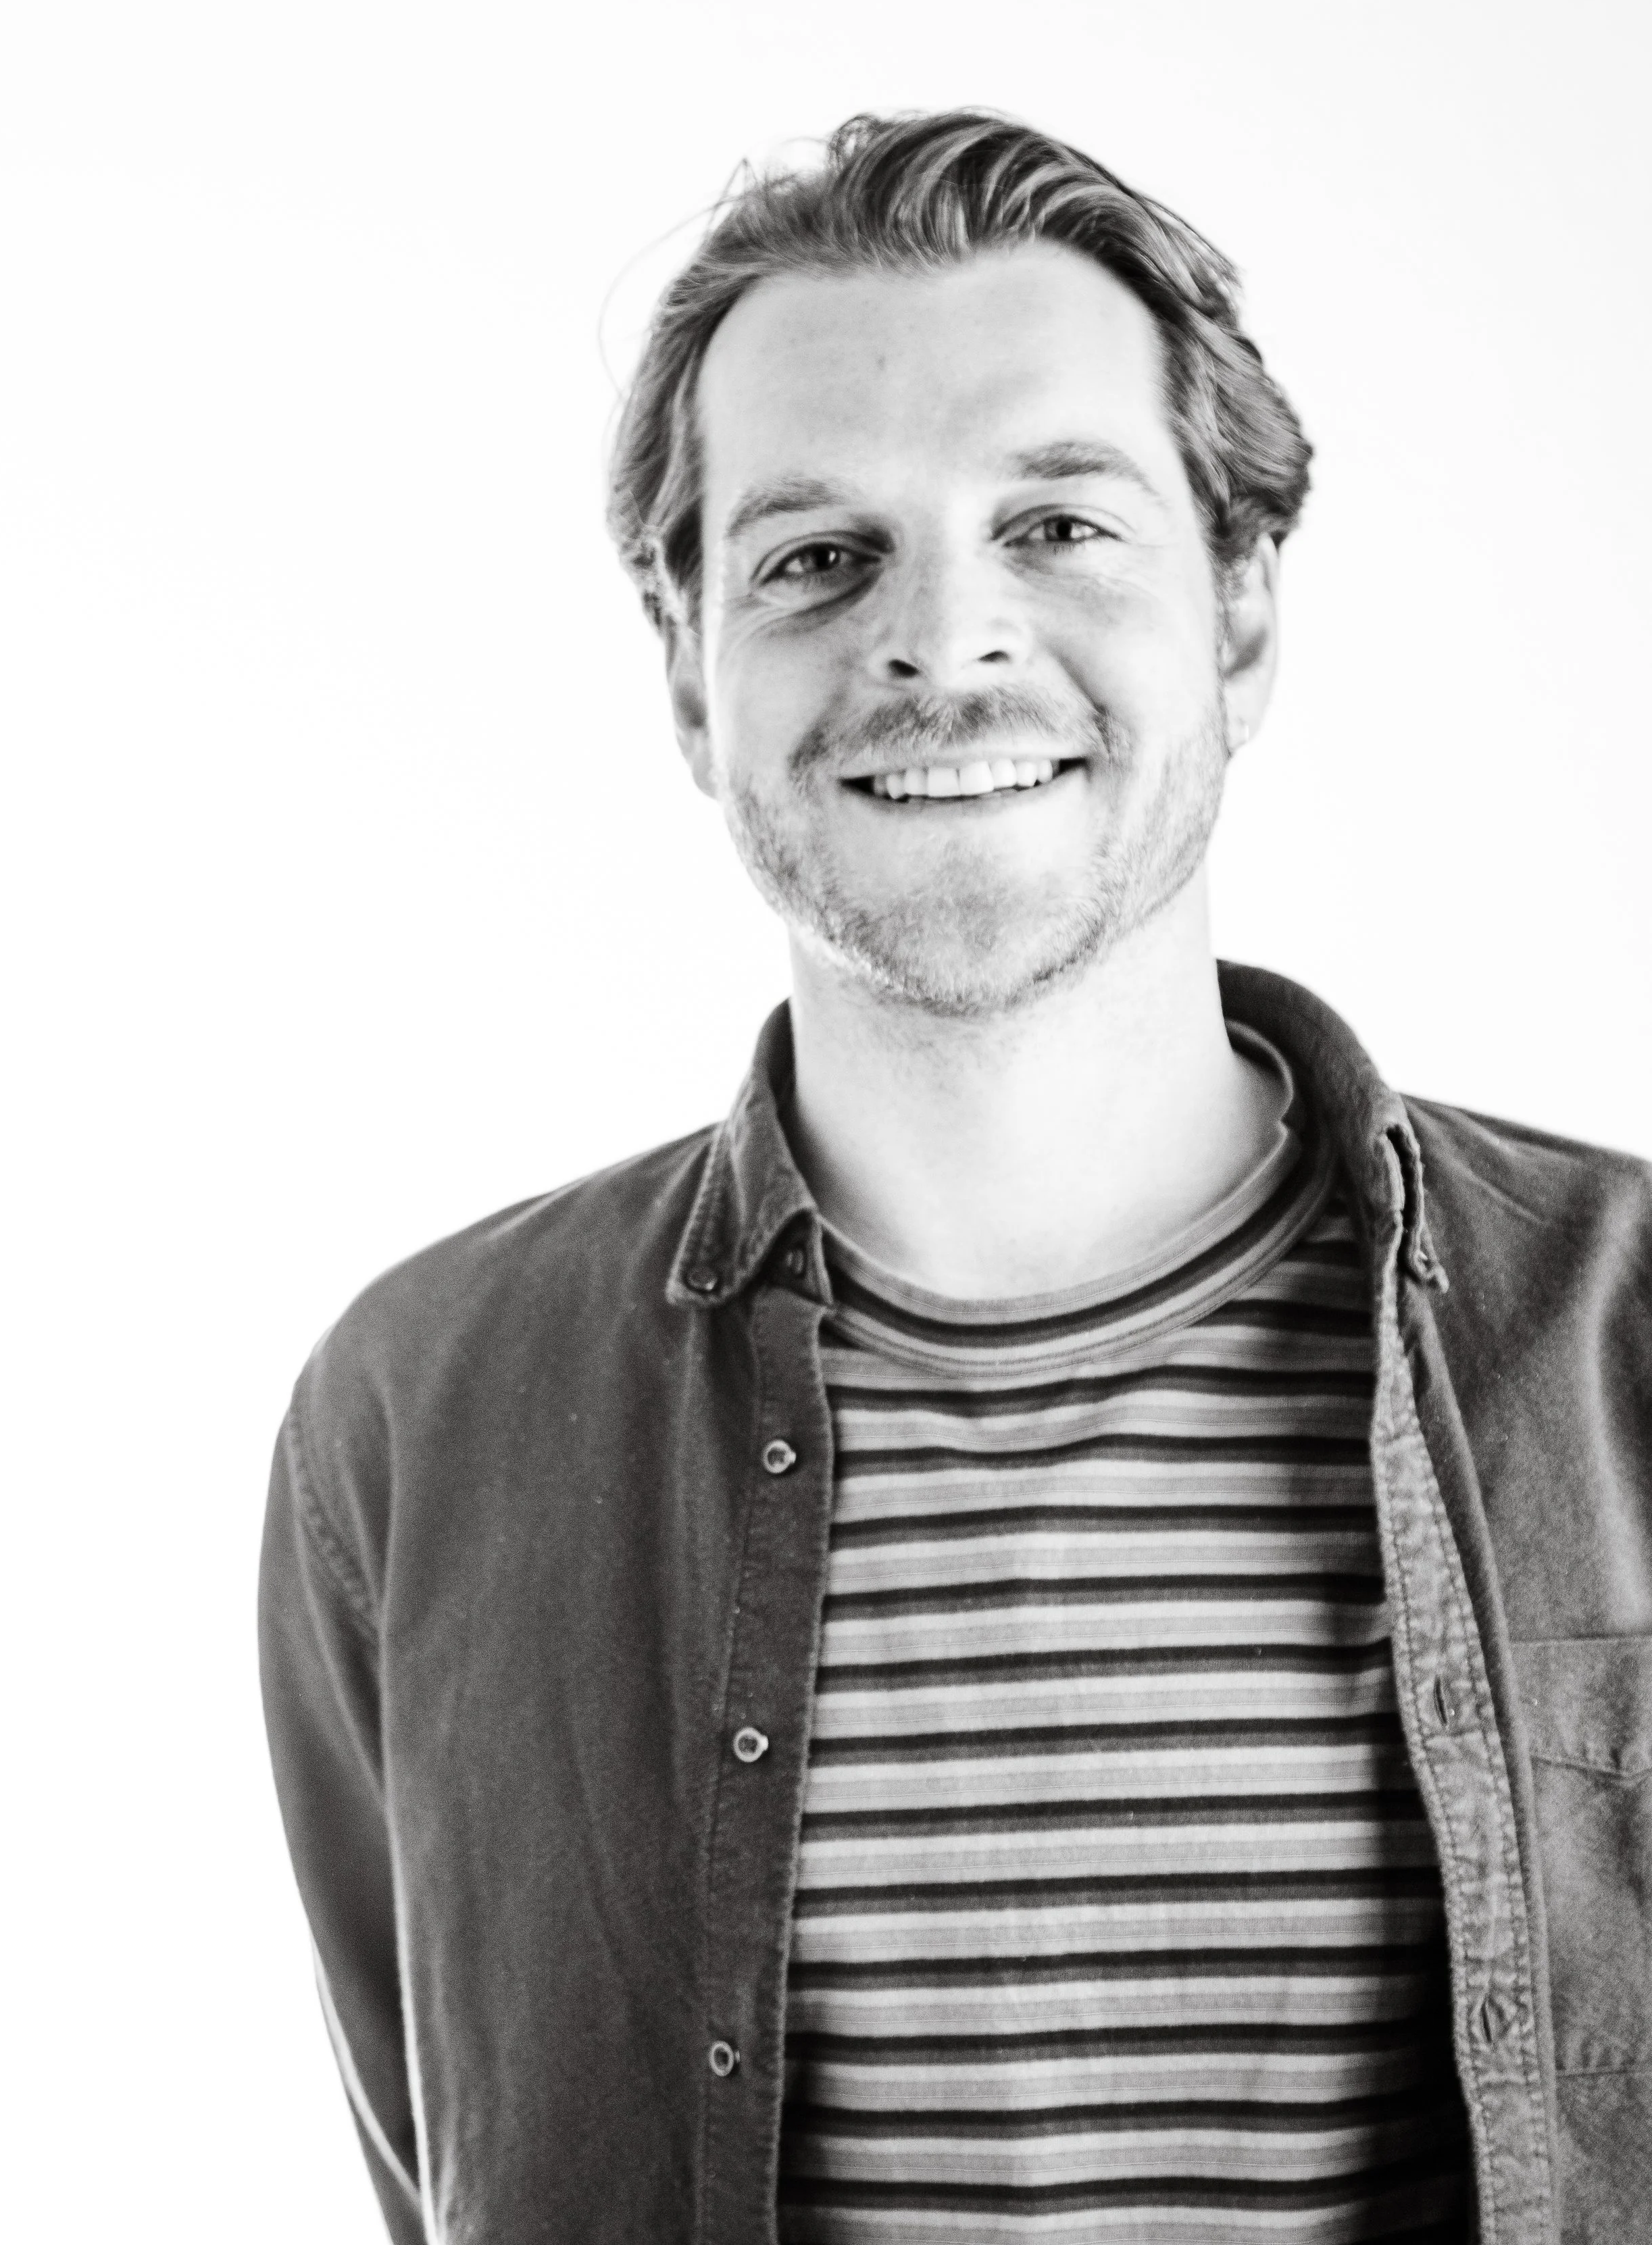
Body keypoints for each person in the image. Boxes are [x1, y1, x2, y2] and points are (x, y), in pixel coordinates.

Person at [259, 111, 1651, 2245]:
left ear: (1245, 610)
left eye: (1058, 524)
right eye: (816, 556)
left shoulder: (1627, 1337)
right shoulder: (426, 1418)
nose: (942, 640)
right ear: (685, 672)